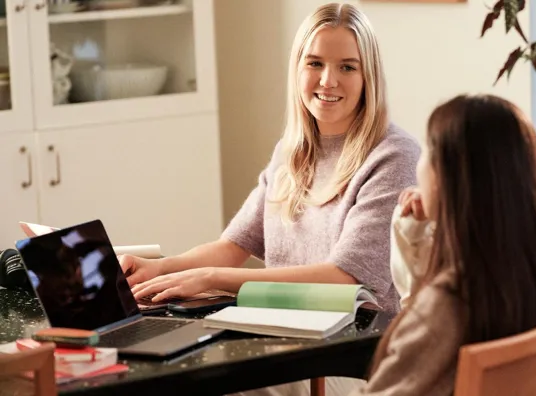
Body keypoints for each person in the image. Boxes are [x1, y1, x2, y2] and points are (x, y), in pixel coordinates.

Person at [119, 2, 419, 395]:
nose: (328, 80)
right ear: (298, 69)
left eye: (347, 67)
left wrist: (211, 280)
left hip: (350, 360)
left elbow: (342, 277)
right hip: (282, 337)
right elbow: (233, 245)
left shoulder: (393, 156)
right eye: (315, 63)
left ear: (369, 77)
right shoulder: (291, 151)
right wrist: (160, 269)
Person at [349, 94, 536, 395]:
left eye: (428, 150)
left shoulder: (449, 303)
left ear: (452, 179)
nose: (419, 166)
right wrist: (415, 239)